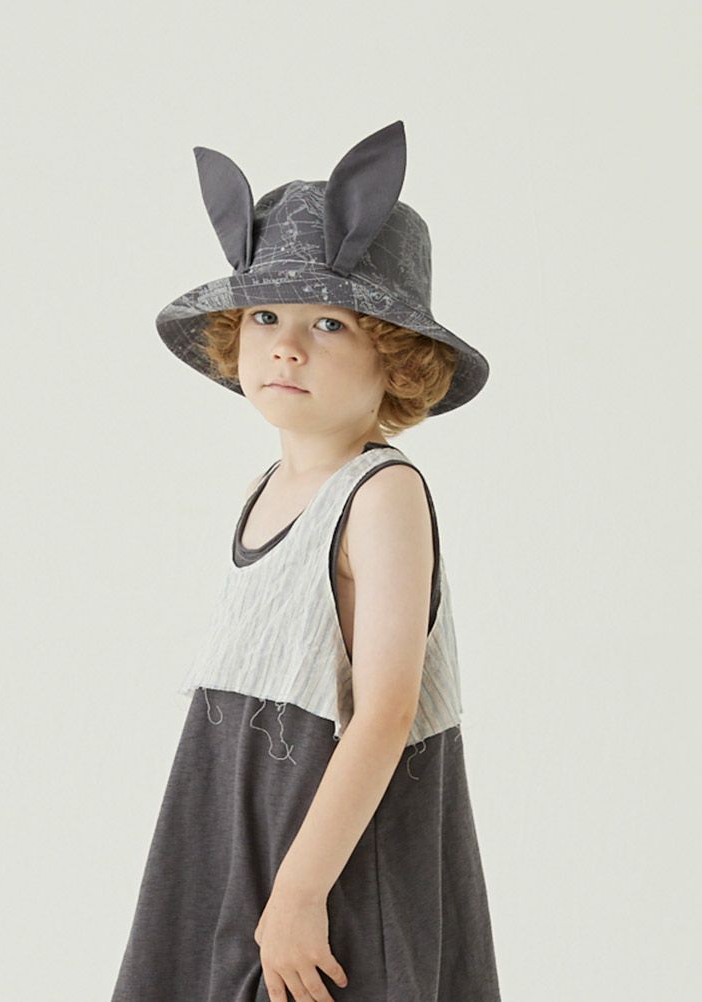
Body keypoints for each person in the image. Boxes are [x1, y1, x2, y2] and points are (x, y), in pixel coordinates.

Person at [111, 120, 503, 1002]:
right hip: (236, 823)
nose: (286, 346)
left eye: (329, 322)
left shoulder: (382, 494)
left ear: (396, 357)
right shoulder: (267, 489)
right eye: (265, 317)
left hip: (330, 847)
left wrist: (297, 893)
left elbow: (386, 712)